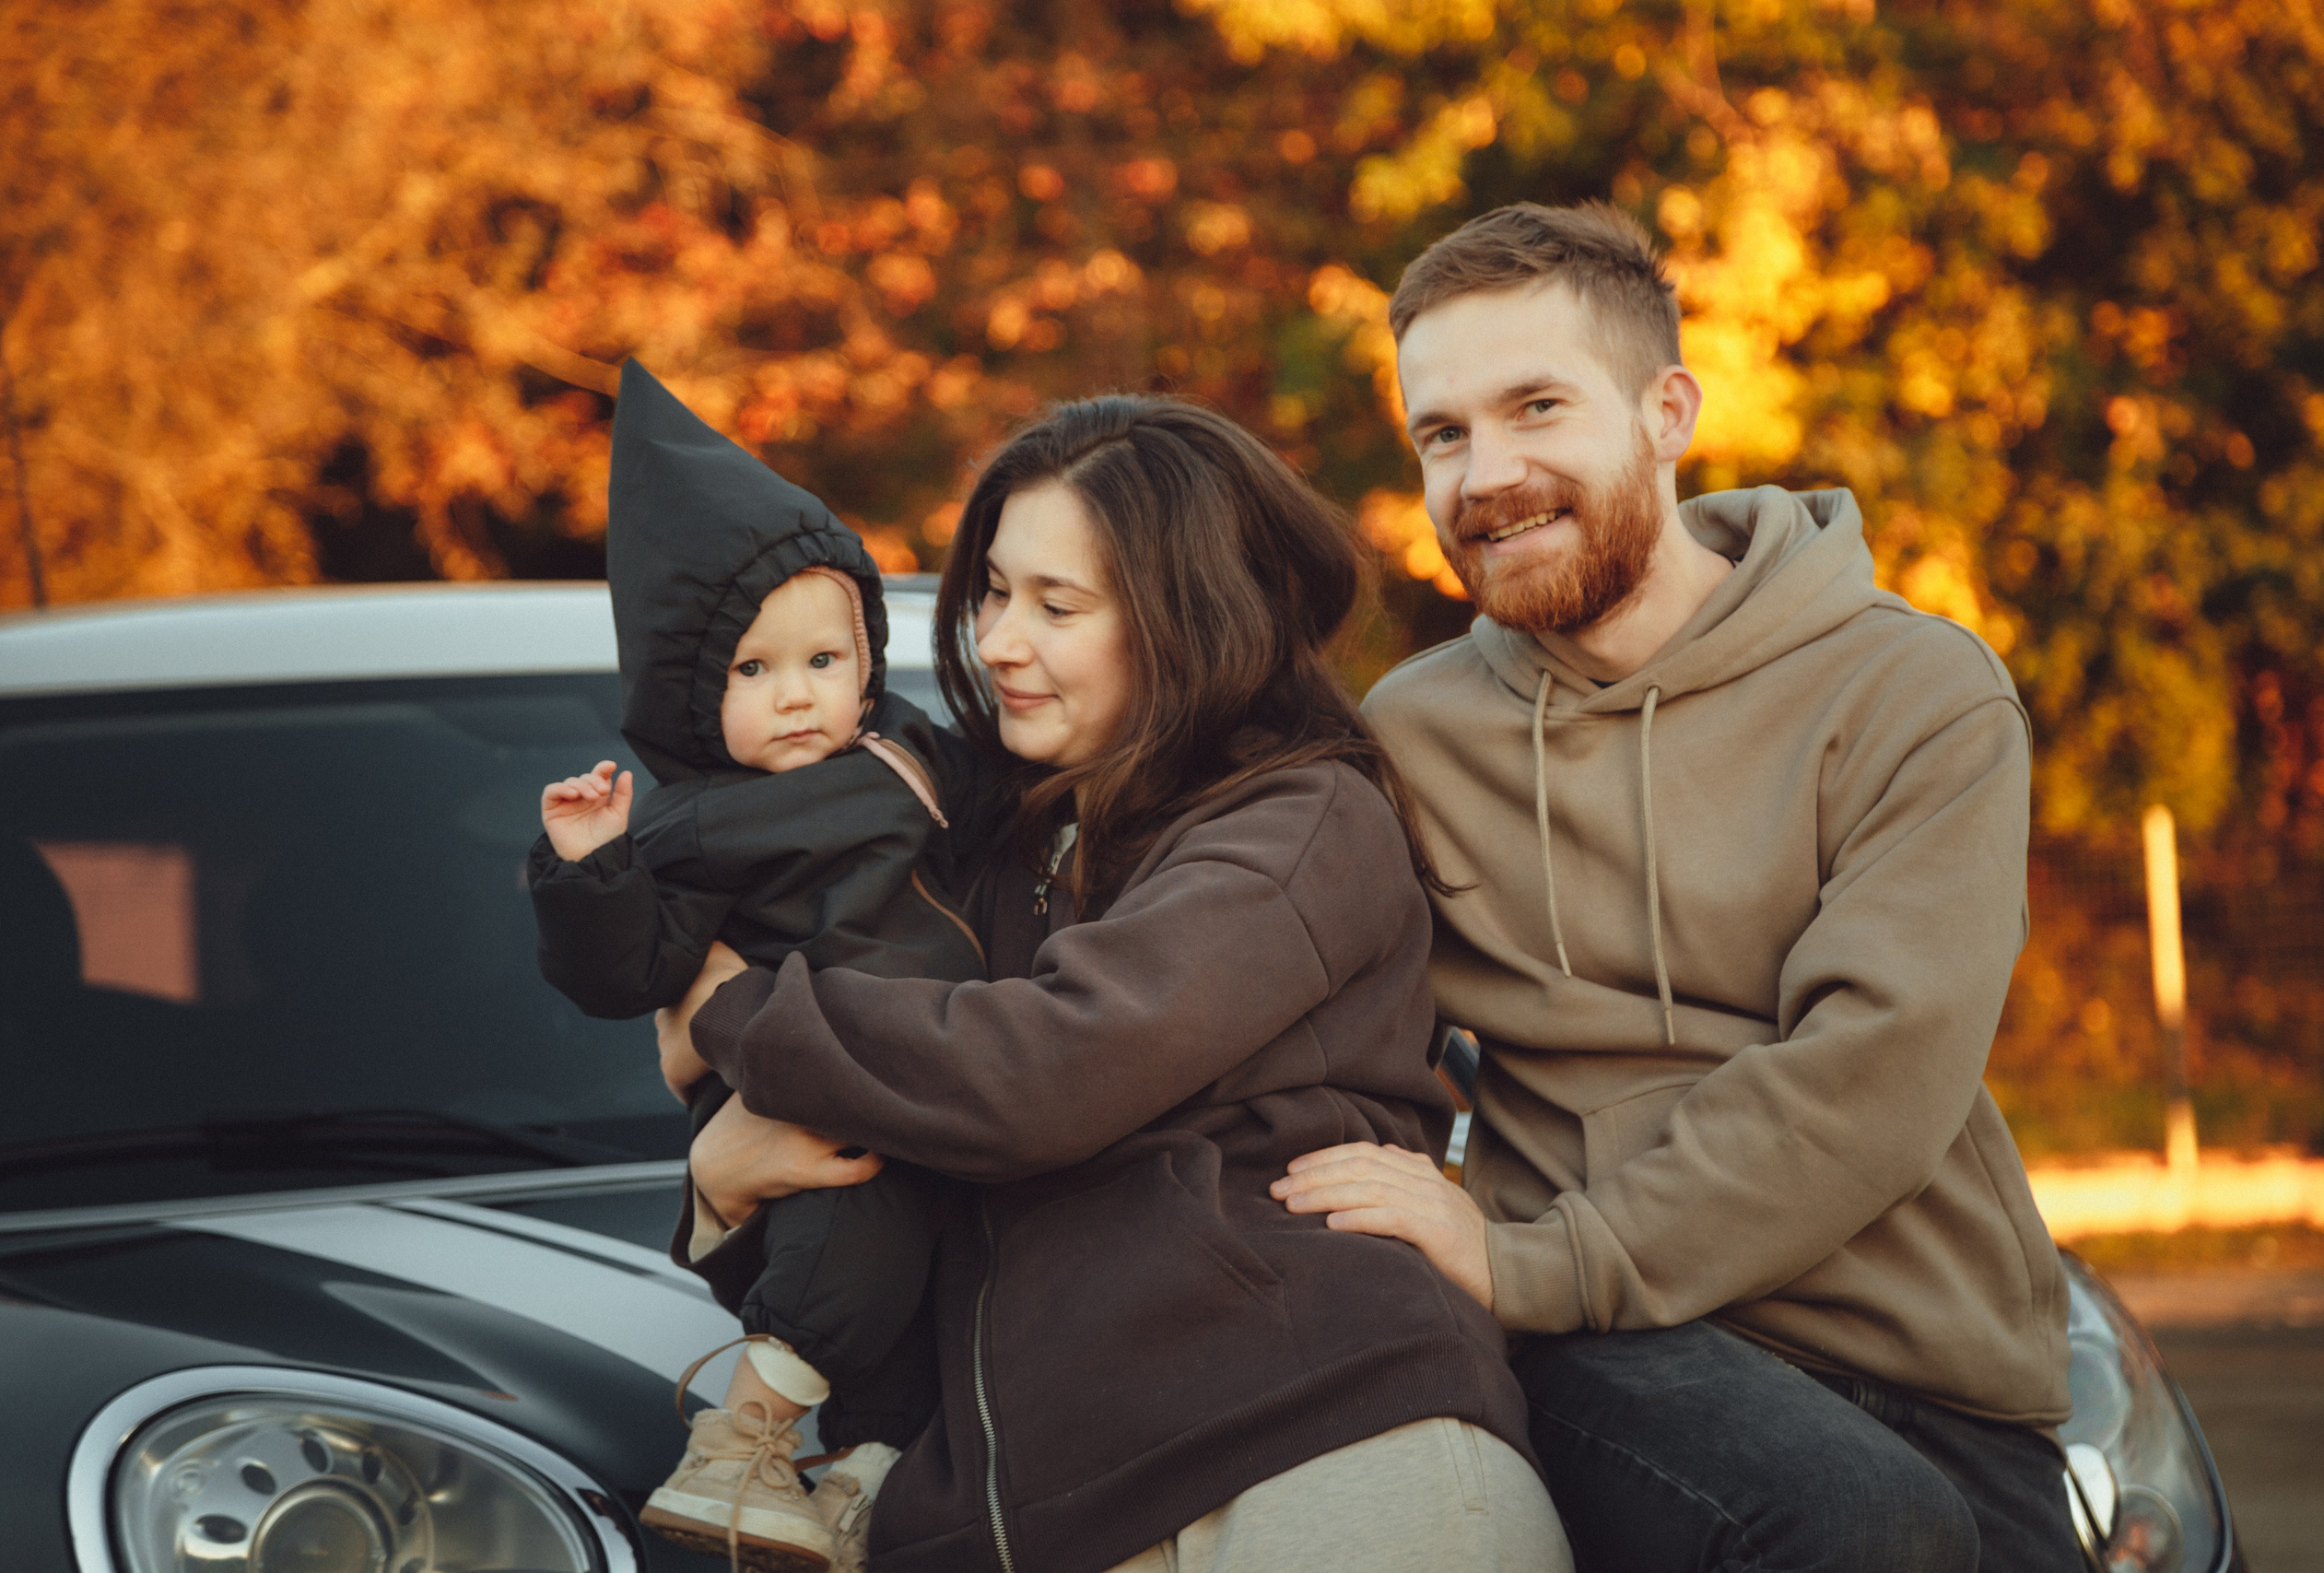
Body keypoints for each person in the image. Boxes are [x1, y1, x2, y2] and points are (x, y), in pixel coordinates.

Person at [1274, 202, 2083, 1572]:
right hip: (1612, 1347)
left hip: (1931, 1373)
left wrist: (1542, 1255)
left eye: (1538, 407)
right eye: (1444, 435)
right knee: (1863, 1523)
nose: (1489, 475)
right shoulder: (1409, 738)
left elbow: (1869, 1072)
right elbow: (1261, 988)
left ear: (1667, 411)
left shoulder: (1914, 692)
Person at [659, 395, 1574, 1573]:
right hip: (1029, 1512)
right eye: (992, 591)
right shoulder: (965, 848)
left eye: (1057, 605)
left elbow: (1045, 1070)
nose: (994, 641)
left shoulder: (1299, 821)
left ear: (1187, 621)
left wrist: (730, 1014)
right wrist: (719, 1191)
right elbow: (873, 1220)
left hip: (1310, 1452)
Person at [528, 360, 986, 1569]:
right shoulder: (696, 826)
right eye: (753, 670)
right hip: (806, 1097)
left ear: (867, 660)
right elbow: (628, 971)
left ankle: (858, 1479)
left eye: (823, 661)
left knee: (918, 1315)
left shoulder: (915, 760)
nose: (797, 697)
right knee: (861, 1226)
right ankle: (741, 1442)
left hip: (940, 1085)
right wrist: (590, 868)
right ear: (692, 689)